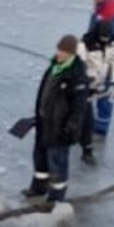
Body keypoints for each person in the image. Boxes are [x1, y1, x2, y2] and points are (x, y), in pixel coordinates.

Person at [22, 35, 88, 203]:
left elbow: (79, 107)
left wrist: (70, 127)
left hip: (61, 129)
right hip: (45, 123)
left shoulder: (77, 75)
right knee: (40, 158)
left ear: (71, 54)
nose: (59, 53)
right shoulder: (54, 67)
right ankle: (38, 187)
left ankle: (56, 198)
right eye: (58, 49)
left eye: (63, 51)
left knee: (57, 163)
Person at [77, 20, 114, 164]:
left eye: (107, 37)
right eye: (103, 37)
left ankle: (87, 149)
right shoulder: (85, 44)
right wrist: (85, 79)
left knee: (87, 119)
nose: (105, 40)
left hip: (98, 84)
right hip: (84, 85)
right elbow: (80, 64)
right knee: (81, 116)